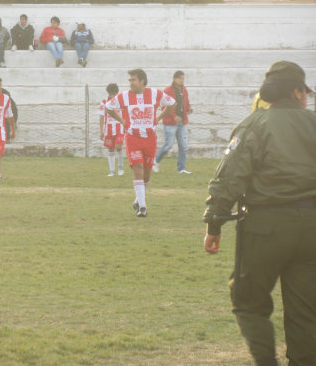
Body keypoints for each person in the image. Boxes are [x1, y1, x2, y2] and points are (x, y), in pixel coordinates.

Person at [203, 61, 316, 366]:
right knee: (306, 314)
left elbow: (229, 178)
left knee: (248, 303)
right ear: (296, 91)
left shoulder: (255, 124)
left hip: (265, 227)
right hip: (311, 231)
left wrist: (214, 224)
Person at [105, 69, 175, 217]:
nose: (131, 83)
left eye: (133, 80)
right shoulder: (123, 96)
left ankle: (138, 200)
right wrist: (122, 121)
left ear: (142, 81)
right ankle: (142, 207)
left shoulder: (155, 94)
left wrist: (159, 117)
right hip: (132, 138)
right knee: (138, 168)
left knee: (147, 175)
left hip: (150, 138)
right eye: (129, 80)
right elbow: (109, 108)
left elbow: (172, 104)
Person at [153, 70, 193, 174]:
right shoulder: (168, 90)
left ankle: (181, 168)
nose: (182, 80)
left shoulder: (184, 89)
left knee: (183, 146)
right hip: (170, 123)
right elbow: (164, 107)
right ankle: (156, 161)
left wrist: (189, 108)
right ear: (175, 79)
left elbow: (186, 101)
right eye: (180, 78)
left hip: (183, 122)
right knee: (168, 145)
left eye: (183, 78)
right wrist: (174, 116)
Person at [98, 83, 124, 176]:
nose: (112, 95)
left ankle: (121, 167)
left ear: (117, 93)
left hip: (119, 127)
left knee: (119, 147)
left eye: (114, 93)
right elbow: (101, 117)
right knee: (111, 149)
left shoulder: (121, 101)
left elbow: (125, 114)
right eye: (110, 93)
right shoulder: (104, 102)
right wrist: (101, 131)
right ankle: (112, 171)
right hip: (108, 129)